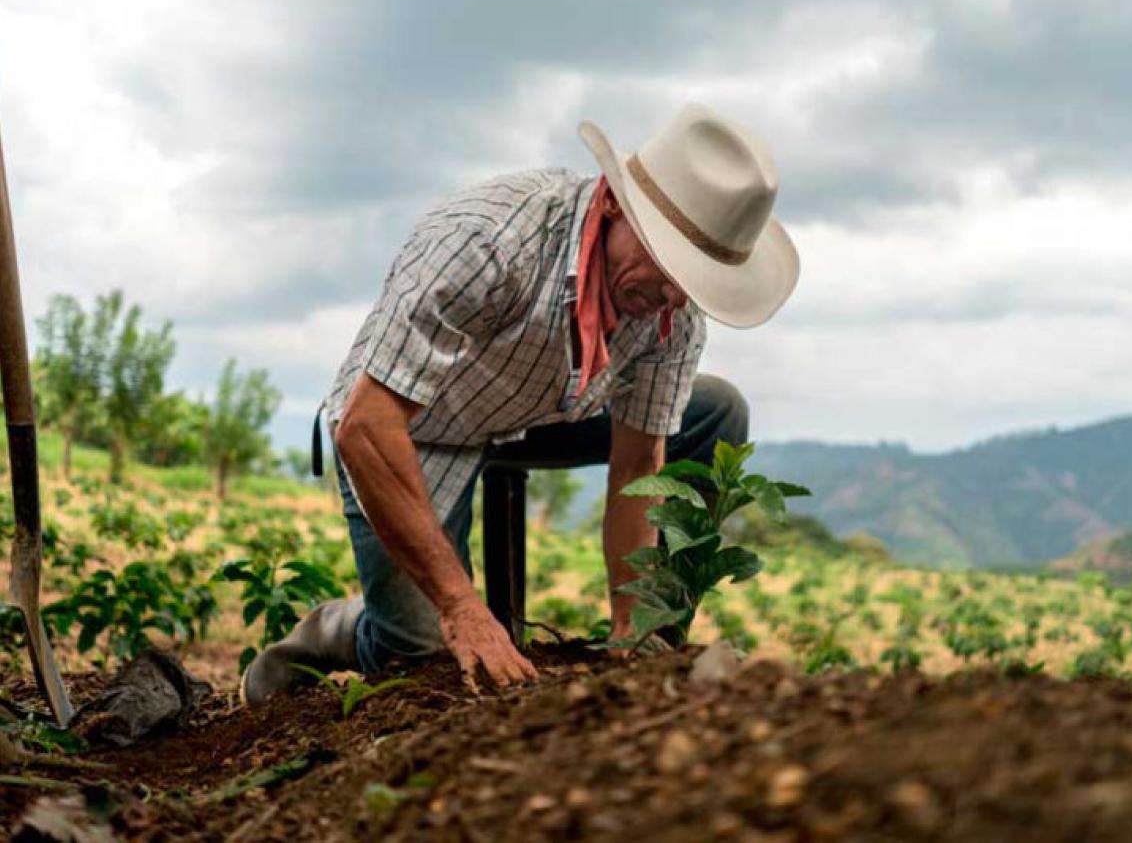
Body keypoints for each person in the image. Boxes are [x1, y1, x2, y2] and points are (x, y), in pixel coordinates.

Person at [240, 102, 800, 704]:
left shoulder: (670, 309)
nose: (671, 297)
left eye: (691, 283)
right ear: (614, 205)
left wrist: (631, 633)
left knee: (716, 410)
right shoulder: (489, 242)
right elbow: (367, 427)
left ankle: (656, 640)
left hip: (542, 410)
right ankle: (335, 629)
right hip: (415, 423)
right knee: (422, 653)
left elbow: (640, 465)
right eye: (667, 267)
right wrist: (460, 606)